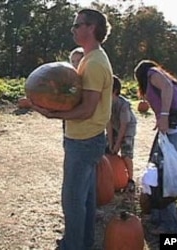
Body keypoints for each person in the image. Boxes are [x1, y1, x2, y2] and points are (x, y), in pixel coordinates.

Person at [32, 9, 113, 250]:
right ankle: (82, 243)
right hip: (84, 138)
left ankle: (73, 245)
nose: (74, 30)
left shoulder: (95, 63)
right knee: (84, 199)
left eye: (77, 25)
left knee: (73, 200)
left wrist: (54, 114)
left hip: (85, 140)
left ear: (92, 28)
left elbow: (87, 109)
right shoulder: (89, 58)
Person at [134, 59, 177, 234]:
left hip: (175, 129)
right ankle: (158, 215)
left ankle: (170, 228)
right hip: (171, 130)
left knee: (165, 176)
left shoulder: (151, 73)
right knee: (156, 171)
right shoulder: (157, 75)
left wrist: (164, 115)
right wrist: (161, 118)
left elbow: (167, 87)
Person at [106, 75, 137, 192]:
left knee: (126, 153)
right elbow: (108, 124)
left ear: (114, 91)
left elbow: (124, 125)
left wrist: (117, 144)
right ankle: (107, 177)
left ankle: (130, 180)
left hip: (127, 128)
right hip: (114, 126)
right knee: (106, 151)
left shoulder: (123, 105)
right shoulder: (105, 104)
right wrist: (110, 142)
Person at [62, 47, 84, 133]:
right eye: (73, 61)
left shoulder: (88, 77)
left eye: (79, 61)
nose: (76, 64)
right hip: (68, 119)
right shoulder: (68, 78)